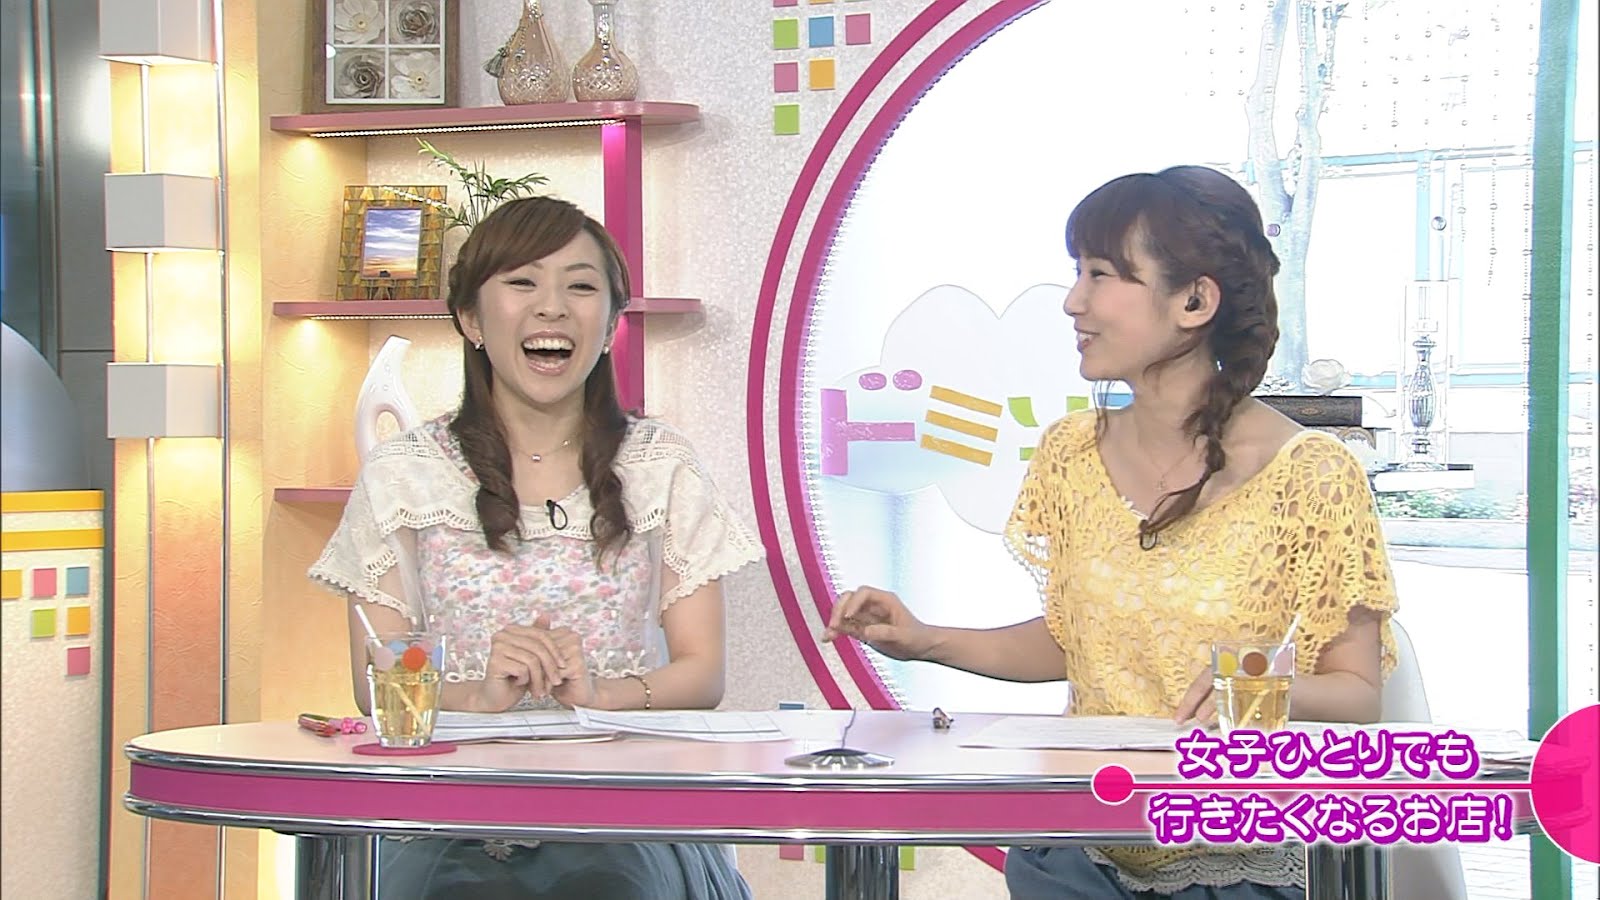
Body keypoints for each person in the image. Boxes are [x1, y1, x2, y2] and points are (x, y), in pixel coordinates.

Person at [823, 166, 1400, 899]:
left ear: (1194, 301)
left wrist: (1262, 687)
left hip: (1240, 863)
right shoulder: (1069, 453)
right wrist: (925, 638)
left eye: (1100, 274)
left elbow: (1357, 694)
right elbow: (1080, 643)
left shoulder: (1311, 474)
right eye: (1077, 273)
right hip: (1080, 852)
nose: (1074, 301)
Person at [310, 196, 762, 900]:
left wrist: (602, 697)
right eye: (522, 282)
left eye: (580, 286)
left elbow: (703, 673)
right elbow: (375, 683)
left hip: (624, 811)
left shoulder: (661, 464)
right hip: (451, 813)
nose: (552, 307)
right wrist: (481, 698)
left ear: (609, 326)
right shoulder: (405, 473)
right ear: (471, 319)